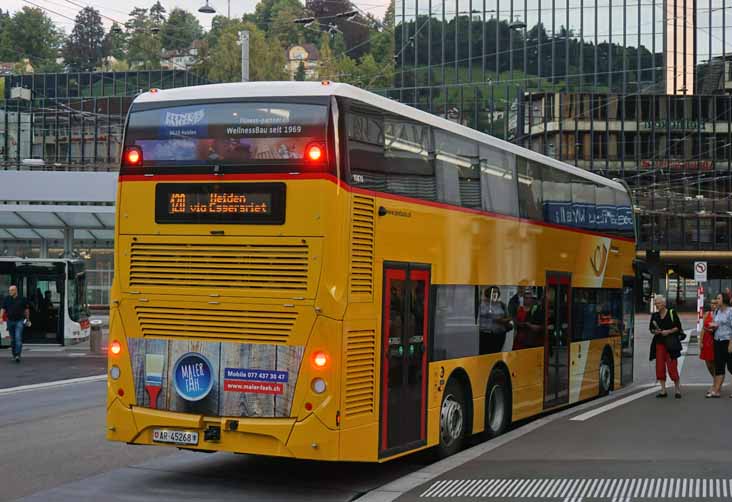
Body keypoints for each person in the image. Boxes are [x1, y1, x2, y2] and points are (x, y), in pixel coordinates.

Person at [649, 295, 683, 398]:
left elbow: (678, 327)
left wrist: (668, 331)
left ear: (664, 304)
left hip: (671, 344)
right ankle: (663, 390)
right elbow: (651, 329)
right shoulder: (654, 315)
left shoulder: (672, 313)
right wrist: (656, 331)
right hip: (659, 344)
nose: (656, 305)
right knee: (659, 367)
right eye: (655, 303)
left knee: (672, 366)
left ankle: (677, 389)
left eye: (658, 303)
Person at [706, 292, 732, 398]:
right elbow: (717, 324)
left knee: (731, 366)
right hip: (718, 341)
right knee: (719, 366)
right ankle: (716, 390)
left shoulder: (730, 312)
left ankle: (716, 389)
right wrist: (712, 327)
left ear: (724, 299)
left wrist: (731, 344)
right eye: (716, 298)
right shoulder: (717, 311)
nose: (717, 300)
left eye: (719, 298)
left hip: (728, 341)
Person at [0, 285, 31, 363]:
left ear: (16, 291)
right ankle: (14, 354)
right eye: (9, 290)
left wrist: (27, 319)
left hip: (19, 321)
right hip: (10, 321)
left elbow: (26, 310)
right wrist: (0, 318)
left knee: (18, 338)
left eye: (12, 290)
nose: (10, 292)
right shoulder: (7, 299)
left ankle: (18, 355)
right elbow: (3, 309)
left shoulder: (22, 299)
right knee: (13, 340)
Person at [479, 286, 512, 354]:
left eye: (496, 292)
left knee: (496, 354)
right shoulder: (481, 304)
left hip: (499, 335)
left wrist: (503, 320)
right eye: (493, 292)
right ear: (488, 293)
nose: (495, 294)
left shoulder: (502, 304)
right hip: (484, 335)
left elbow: (509, 317)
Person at [700, 298, 717, 387]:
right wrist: (700, 342)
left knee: (715, 363)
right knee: (708, 363)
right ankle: (715, 379)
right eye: (712, 303)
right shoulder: (707, 314)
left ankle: (716, 383)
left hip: (716, 340)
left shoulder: (719, 315)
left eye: (715, 303)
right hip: (706, 340)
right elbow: (703, 328)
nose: (713, 305)